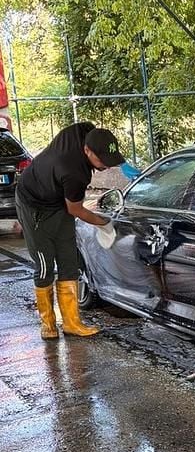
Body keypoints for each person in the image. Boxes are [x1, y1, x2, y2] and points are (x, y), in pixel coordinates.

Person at [16, 122, 125, 339]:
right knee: (45, 265)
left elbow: (96, 136)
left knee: (69, 261)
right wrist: (103, 222)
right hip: (33, 204)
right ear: (87, 150)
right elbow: (75, 209)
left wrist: (124, 164)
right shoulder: (74, 172)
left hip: (57, 199)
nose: (107, 166)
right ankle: (48, 324)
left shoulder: (85, 131)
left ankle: (72, 322)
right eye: (102, 161)